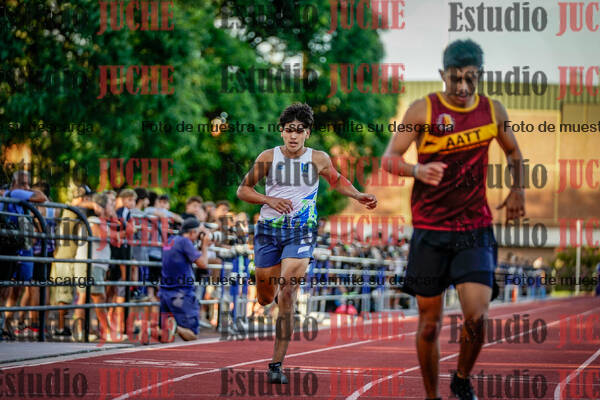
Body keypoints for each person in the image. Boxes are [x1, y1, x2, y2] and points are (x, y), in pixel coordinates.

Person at [382, 39, 525, 400]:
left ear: (480, 75)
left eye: (470, 79)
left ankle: (461, 378)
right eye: (455, 79)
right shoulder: (423, 110)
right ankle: (432, 396)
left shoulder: (492, 111)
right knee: (430, 325)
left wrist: (518, 191)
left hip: (474, 229)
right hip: (430, 231)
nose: (462, 87)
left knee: (476, 316)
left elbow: (514, 153)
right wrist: (417, 169)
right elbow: (390, 158)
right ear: (442, 74)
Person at [237, 102, 377, 383]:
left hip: (301, 230)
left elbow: (337, 180)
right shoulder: (268, 157)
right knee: (265, 297)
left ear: (307, 133)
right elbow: (243, 190)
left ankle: (276, 364)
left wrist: (357, 194)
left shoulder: (318, 158)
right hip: (268, 231)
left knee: (288, 292)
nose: (294, 135)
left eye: (299, 131)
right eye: (289, 130)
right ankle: (270, 289)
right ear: (281, 131)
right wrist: (269, 200)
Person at [0, 171, 47, 340]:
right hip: (7, 247)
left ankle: (6, 324)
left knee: (11, 289)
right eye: (23, 183)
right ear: (14, 184)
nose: (26, 187)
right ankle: (3, 325)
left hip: (16, 247)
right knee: (4, 288)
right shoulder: (16, 194)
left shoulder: (17, 196)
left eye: (28, 183)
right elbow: (41, 197)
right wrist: (28, 191)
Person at [159, 218, 211, 340]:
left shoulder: (171, 240)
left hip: (165, 292)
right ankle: (174, 328)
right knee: (193, 335)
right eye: (198, 232)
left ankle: (155, 330)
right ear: (192, 232)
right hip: (182, 293)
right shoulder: (185, 242)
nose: (199, 236)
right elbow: (203, 264)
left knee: (166, 338)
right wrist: (205, 246)